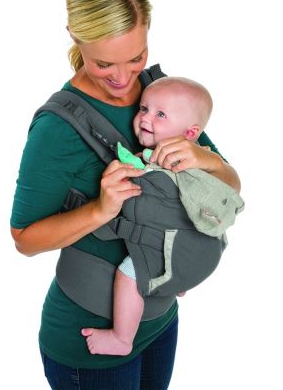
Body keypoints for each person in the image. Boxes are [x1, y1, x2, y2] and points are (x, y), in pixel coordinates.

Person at [10, 0, 241, 389]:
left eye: (136, 58)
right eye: (104, 64)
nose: (122, 79)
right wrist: (100, 209)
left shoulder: (162, 96)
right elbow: (24, 239)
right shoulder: (57, 128)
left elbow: (230, 189)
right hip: (88, 345)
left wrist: (206, 159)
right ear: (74, 36)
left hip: (161, 320)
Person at [81, 76, 218, 356]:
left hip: (181, 255)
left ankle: (121, 338)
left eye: (160, 114)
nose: (145, 117)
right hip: (204, 252)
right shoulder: (202, 157)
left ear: (190, 133)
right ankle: (176, 280)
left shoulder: (169, 162)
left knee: (128, 274)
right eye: (144, 108)